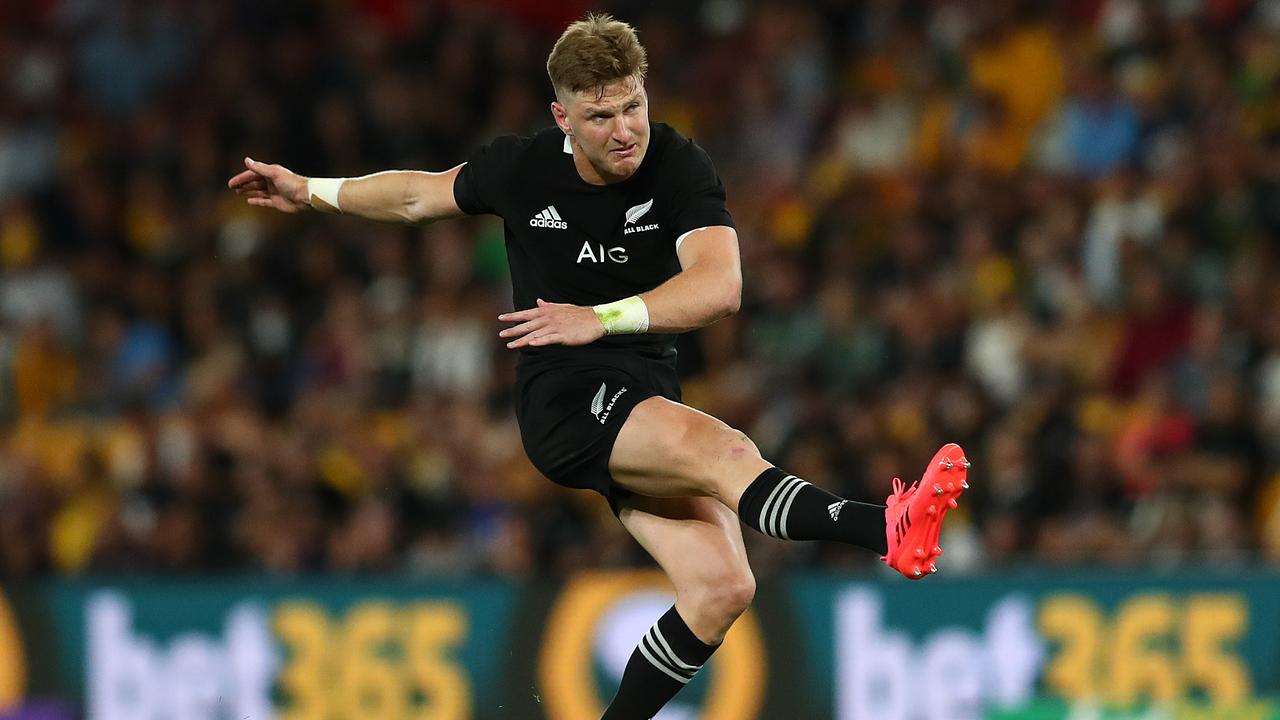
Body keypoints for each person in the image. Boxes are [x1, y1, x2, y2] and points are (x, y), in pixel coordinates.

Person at [229, 13, 969, 719]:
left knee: (721, 587)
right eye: (600, 116)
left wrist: (603, 317)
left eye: (633, 107)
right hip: (565, 399)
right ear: (562, 119)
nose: (624, 131)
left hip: (642, 387)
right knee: (726, 452)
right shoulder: (522, 170)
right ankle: (886, 529)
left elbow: (721, 286)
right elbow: (419, 194)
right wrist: (310, 190)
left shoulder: (679, 166)